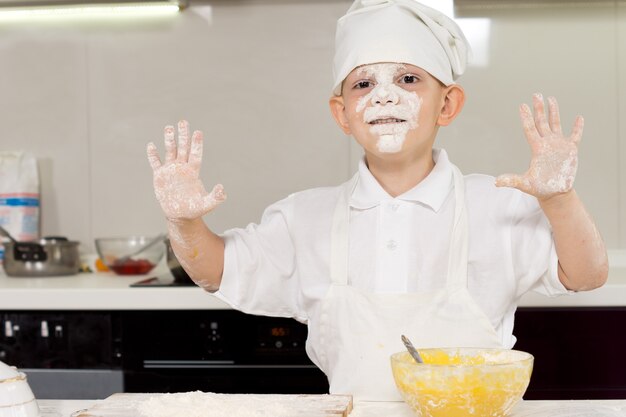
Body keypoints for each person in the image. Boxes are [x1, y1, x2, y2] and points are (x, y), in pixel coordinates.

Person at [145, 0, 608, 401]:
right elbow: (215, 271)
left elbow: (586, 276)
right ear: (341, 113)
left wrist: (560, 199)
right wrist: (183, 223)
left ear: (447, 105)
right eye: (363, 84)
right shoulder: (304, 217)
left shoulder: (498, 203)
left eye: (408, 78)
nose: (384, 95)